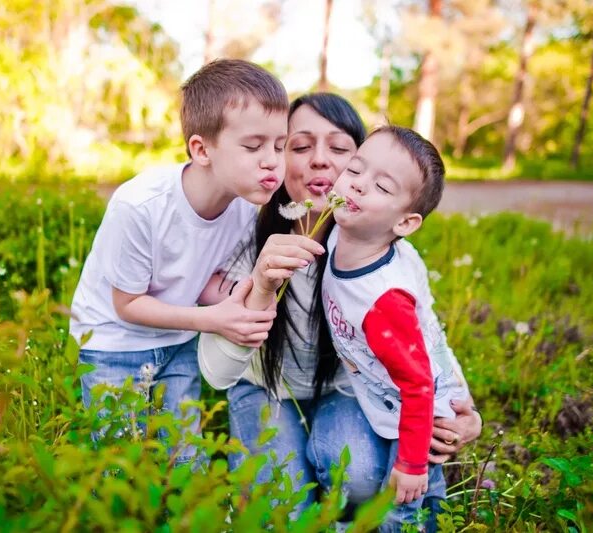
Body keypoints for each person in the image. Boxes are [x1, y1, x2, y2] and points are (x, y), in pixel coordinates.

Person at [198, 94, 482, 520]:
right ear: (278, 157)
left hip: (345, 390)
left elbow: (426, 336)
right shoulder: (246, 229)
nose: (319, 161)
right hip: (267, 388)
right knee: (281, 505)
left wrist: (465, 408)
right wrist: (260, 285)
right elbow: (218, 374)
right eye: (299, 146)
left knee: (360, 477)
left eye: (340, 149)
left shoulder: (386, 259)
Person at [69, 59, 289, 464]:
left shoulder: (244, 206)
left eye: (280, 145)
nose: (272, 161)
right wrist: (217, 319)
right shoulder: (141, 206)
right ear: (202, 149)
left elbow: (203, 273)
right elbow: (128, 305)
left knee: (185, 460)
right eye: (254, 146)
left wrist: (240, 294)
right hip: (113, 343)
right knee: (118, 466)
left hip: (176, 342)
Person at [320, 125, 470, 531]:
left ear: (405, 223)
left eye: (382, 187)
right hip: (385, 392)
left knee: (406, 503)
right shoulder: (341, 234)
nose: (358, 186)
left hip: (420, 410)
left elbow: (418, 385)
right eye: (354, 169)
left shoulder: (384, 300)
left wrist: (411, 463)